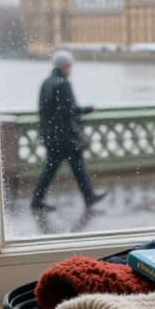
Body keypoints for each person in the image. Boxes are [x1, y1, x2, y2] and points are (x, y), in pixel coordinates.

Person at [30, 50, 106, 211]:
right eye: (70, 65)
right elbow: (70, 109)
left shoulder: (46, 82)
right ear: (64, 66)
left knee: (54, 168)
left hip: (51, 134)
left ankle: (38, 200)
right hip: (65, 136)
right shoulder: (63, 84)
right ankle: (88, 196)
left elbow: (45, 110)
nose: (71, 68)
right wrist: (88, 109)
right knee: (74, 167)